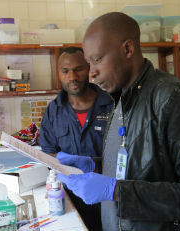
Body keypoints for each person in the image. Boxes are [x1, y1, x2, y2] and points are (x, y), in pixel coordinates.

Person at [57, 13, 180, 231]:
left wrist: (117, 191)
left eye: (97, 60)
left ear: (127, 49)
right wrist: (95, 166)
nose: (91, 75)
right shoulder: (119, 99)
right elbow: (138, 166)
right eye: (89, 63)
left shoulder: (176, 99)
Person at [39, 46, 113, 231]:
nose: (72, 77)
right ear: (59, 73)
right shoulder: (53, 110)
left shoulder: (112, 104)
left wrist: (95, 165)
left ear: (88, 68)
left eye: (78, 69)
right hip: (69, 199)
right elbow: (48, 153)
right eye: (65, 71)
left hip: (109, 196)